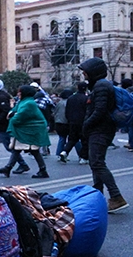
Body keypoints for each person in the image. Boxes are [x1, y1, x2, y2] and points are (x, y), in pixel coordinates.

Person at [78, 58, 128, 212]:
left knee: (97, 163)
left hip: (100, 130)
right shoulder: (99, 86)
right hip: (100, 129)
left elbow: (99, 111)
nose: (84, 74)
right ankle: (97, 196)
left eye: (85, 71)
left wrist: (86, 124)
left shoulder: (101, 87)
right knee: (95, 163)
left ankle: (116, 197)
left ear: (93, 71)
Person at [0, 85, 50, 179]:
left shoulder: (29, 103)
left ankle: (43, 170)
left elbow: (18, 117)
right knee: (17, 149)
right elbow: (13, 111)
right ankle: (8, 168)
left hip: (32, 129)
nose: (18, 94)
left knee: (33, 150)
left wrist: (12, 116)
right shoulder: (23, 102)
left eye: (19, 92)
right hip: (26, 129)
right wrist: (12, 113)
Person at [0, 80, 28, 172]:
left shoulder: (1, 97)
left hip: (1, 127)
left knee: (9, 147)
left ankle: (23, 164)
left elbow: (6, 111)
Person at [61, 81, 88, 164]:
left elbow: (67, 111)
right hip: (83, 122)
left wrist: (69, 119)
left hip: (72, 122)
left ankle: (65, 151)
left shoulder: (71, 98)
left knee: (72, 139)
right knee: (85, 140)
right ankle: (83, 157)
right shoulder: (86, 98)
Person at [53, 89, 72, 160]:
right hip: (66, 123)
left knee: (61, 138)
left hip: (58, 123)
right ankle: (81, 154)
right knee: (74, 139)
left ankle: (59, 153)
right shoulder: (68, 102)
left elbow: (55, 112)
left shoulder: (59, 103)